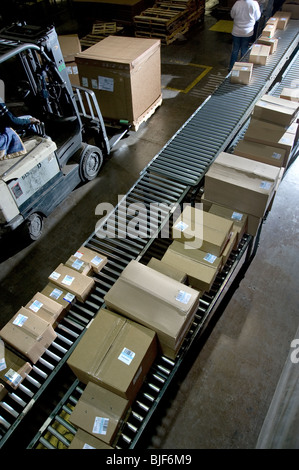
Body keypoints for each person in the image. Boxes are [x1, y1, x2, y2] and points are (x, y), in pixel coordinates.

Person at [229, 0, 261, 71]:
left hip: (236, 31)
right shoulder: (254, 4)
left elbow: (232, 15)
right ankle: (242, 68)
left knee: (235, 49)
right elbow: (257, 17)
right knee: (244, 49)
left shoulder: (237, 3)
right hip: (248, 31)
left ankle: (231, 67)